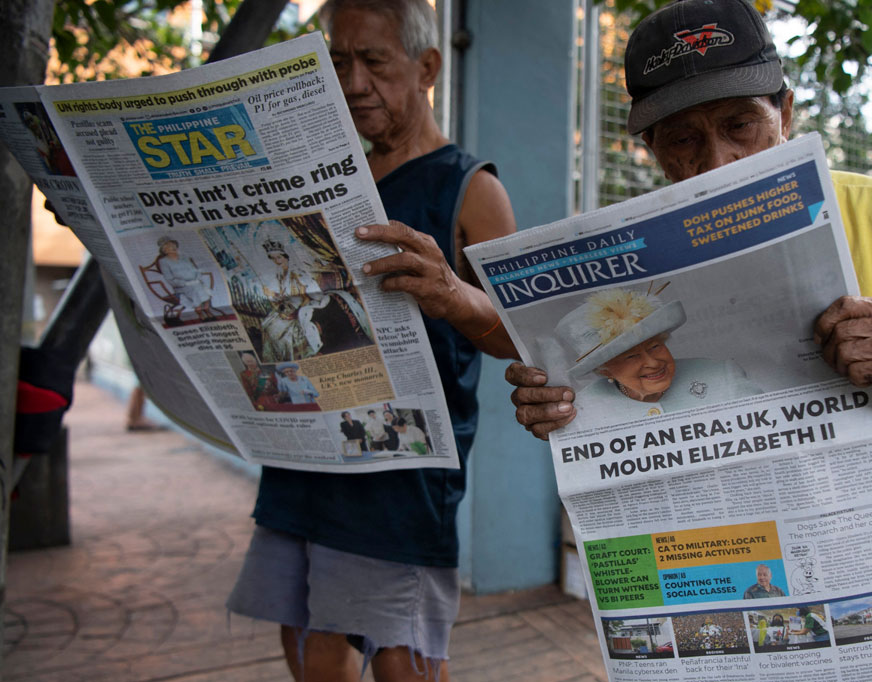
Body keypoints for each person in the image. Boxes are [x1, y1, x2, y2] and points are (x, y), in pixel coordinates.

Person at [505, 2, 872, 679]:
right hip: (704, 568)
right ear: (652, 149)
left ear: (786, 113)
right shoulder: (629, 272)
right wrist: (569, 412)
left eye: (741, 125)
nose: (718, 161)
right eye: (683, 139)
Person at [226, 1, 517, 680]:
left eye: (374, 61)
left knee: (399, 658)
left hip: (399, 477)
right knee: (305, 639)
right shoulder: (327, 181)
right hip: (303, 454)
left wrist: (454, 295)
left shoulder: (469, 189)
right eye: (338, 60)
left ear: (427, 68)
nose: (353, 82)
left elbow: (519, 335)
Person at [555, 287, 760, 428]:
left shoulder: (722, 376)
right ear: (604, 369)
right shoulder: (584, 408)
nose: (652, 363)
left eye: (655, 346)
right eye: (632, 356)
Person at [156, 236, 215, 321]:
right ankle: (199, 312)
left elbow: (195, 269)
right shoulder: (163, 262)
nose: (173, 248)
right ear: (164, 250)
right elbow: (169, 279)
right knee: (194, 290)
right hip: (182, 287)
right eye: (169, 246)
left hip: (195, 282)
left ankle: (206, 309)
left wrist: (198, 277)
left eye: (174, 245)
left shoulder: (184, 257)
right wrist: (184, 283)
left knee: (205, 289)